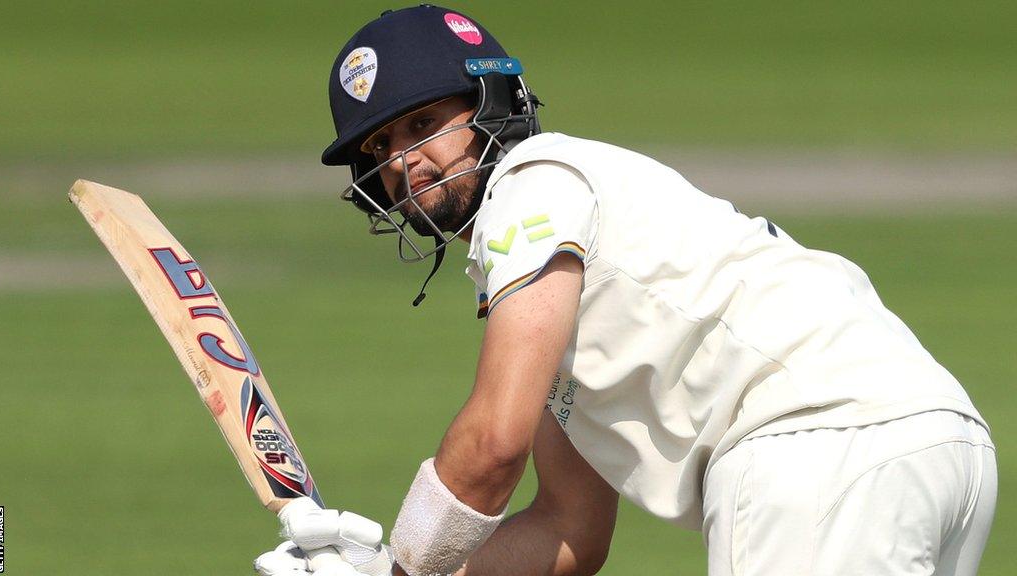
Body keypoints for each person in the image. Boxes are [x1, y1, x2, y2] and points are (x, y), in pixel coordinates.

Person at [254, 5, 996, 576]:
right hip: (939, 445)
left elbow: (493, 442)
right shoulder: (568, 246)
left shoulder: (532, 186)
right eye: (380, 150)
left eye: (423, 125)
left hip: (815, 453)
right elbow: (572, 525)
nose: (405, 163)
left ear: (489, 105)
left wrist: (401, 569)